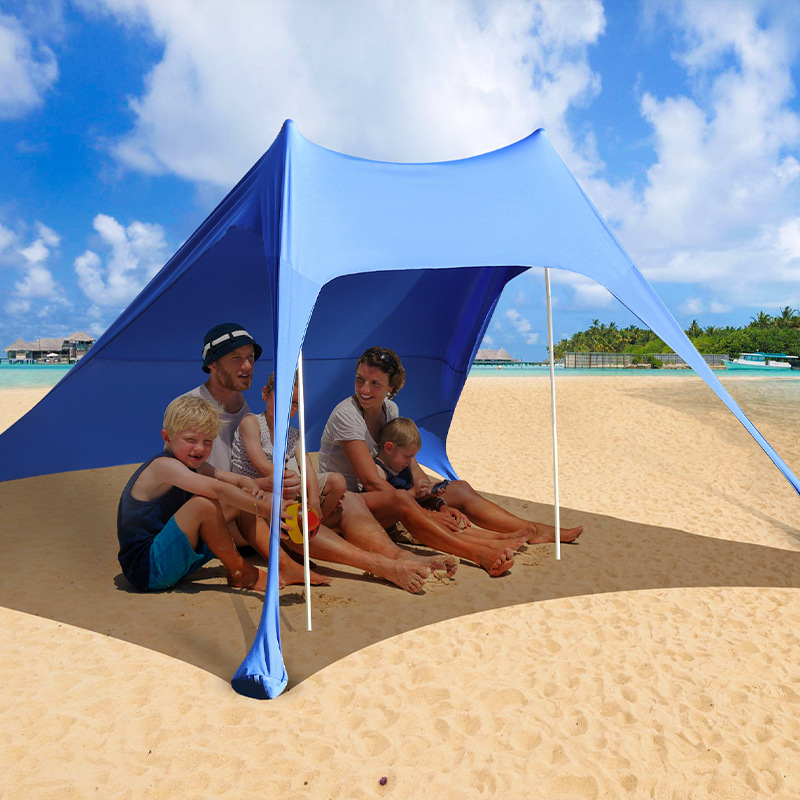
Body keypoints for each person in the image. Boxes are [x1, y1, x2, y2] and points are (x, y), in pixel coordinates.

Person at [318, 346, 582, 575]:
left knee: (459, 487)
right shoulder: (347, 415)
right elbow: (371, 481)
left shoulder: (391, 410)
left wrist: (436, 498)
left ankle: (533, 529)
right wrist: (424, 510)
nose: (365, 389)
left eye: (375, 383)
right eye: (360, 379)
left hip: (387, 492)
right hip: (350, 503)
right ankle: (479, 553)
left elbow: (410, 462)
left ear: (390, 388)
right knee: (403, 499)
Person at [230, 373, 457, 594]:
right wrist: (293, 483)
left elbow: (308, 467)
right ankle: (380, 565)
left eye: (295, 404)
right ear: (265, 394)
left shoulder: (293, 434)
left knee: (344, 491)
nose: (288, 408)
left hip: (285, 487)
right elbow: (262, 465)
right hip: (255, 491)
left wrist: (313, 500)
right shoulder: (252, 422)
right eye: (283, 400)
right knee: (293, 510)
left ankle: (399, 555)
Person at [117, 395, 274, 593]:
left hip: (168, 557)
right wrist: (269, 510)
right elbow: (218, 488)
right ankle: (240, 571)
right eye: (190, 440)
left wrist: (247, 482)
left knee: (236, 500)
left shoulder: (190, 463)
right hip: (147, 569)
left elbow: (226, 477)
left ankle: (280, 562)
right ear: (167, 437)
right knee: (204, 504)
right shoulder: (164, 466)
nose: (200, 448)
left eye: (207, 441)